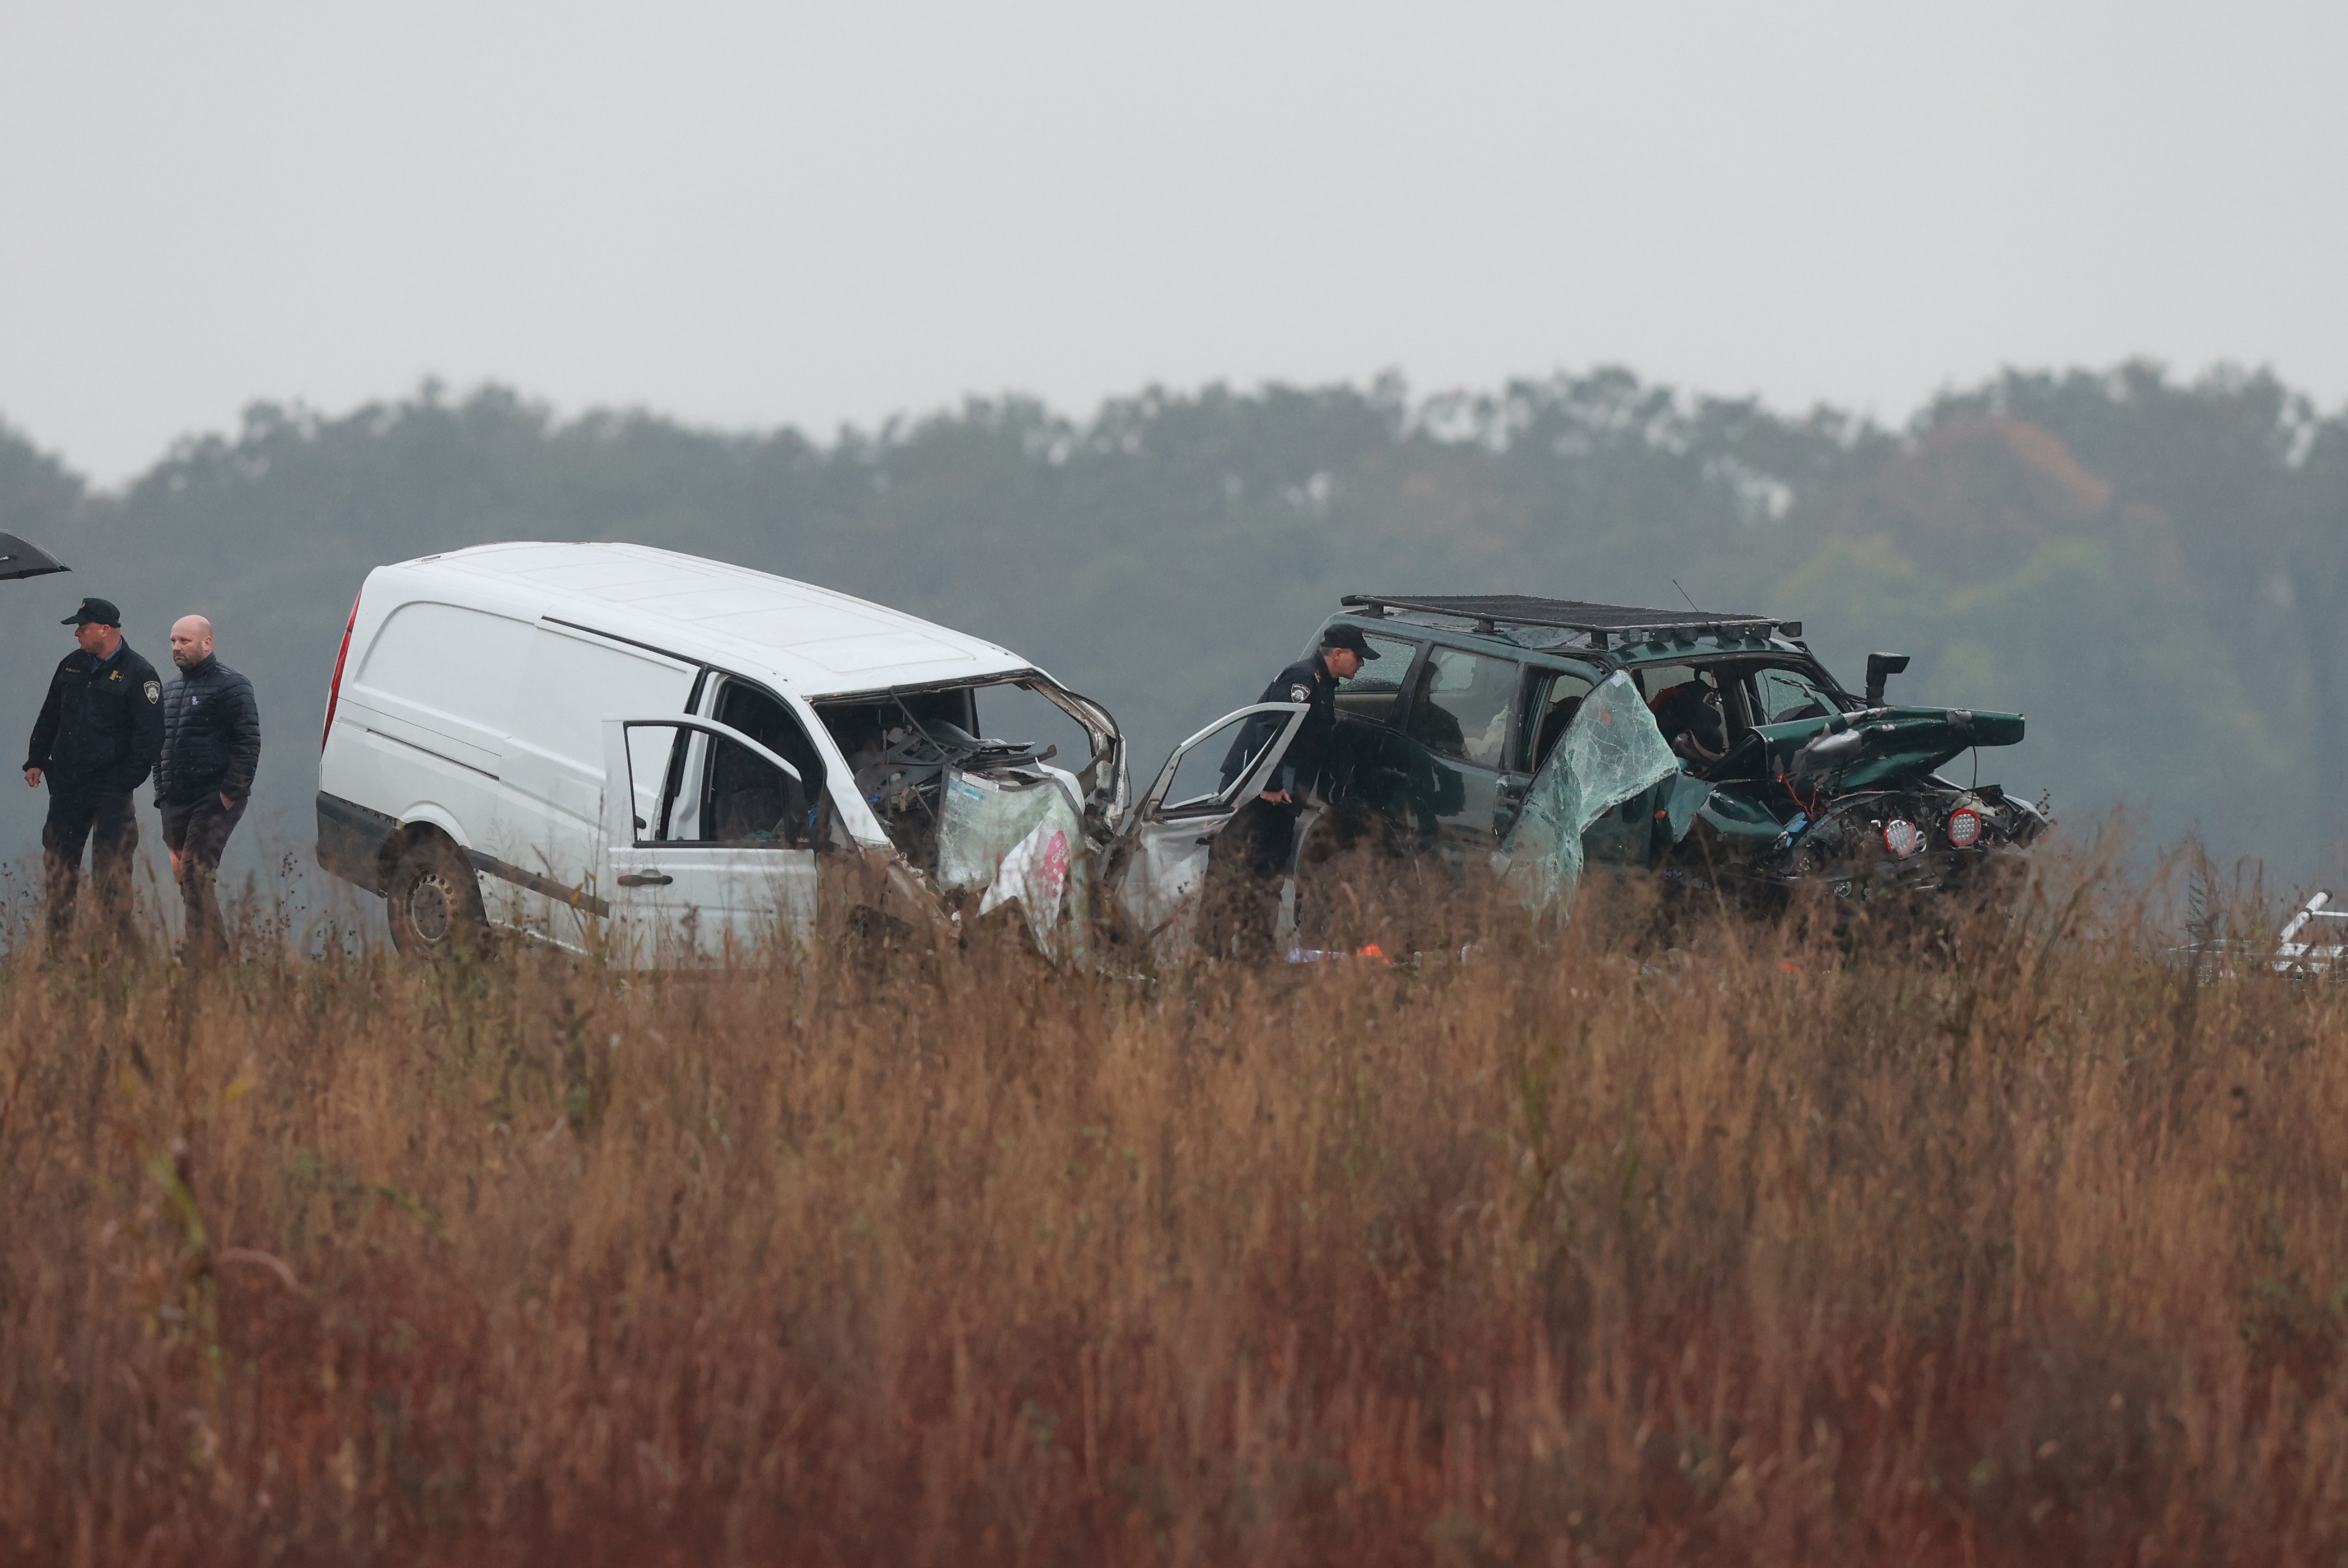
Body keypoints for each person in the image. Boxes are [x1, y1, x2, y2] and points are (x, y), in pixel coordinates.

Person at [1205, 624, 1378, 954]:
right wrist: (1268, 784)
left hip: (1282, 798)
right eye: (1358, 657)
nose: (1362, 664)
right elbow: (1271, 728)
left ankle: (1256, 951)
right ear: (1338, 654)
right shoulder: (1302, 680)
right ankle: (1212, 950)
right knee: (1236, 867)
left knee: (1267, 873)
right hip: (1260, 794)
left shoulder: (1325, 685)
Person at [23, 597, 165, 950]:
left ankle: (112, 953)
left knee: (111, 874)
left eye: (83, 628)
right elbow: (49, 715)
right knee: (59, 868)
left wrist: (125, 780)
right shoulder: (71, 666)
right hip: (68, 787)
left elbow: (150, 736)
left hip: (109, 791)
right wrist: (36, 759)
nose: (77, 634)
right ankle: (58, 953)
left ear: (105, 630)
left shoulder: (140, 674)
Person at [155, 615, 262, 958]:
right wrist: (161, 795)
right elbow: (160, 747)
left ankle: (202, 956)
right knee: (187, 878)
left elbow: (248, 742)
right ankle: (213, 955)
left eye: (184, 641)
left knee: (196, 872)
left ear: (207, 643)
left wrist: (231, 792)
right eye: (173, 641)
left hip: (213, 796)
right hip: (175, 800)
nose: (176, 648)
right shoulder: (168, 692)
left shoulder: (232, 685)